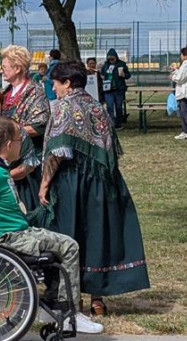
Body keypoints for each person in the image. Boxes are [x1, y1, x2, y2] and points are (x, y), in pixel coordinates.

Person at [0, 116, 103, 334]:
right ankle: (67, 314)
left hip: (12, 232)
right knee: (69, 246)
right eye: (19, 140)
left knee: (56, 243)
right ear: (9, 144)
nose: (21, 144)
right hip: (3, 238)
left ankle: (53, 304)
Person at [37, 61, 150, 316]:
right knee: (97, 233)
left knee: (70, 234)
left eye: (56, 83)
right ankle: (97, 300)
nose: (53, 89)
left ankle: (72, 298)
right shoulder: (96, 106)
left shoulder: (64, 107)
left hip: (73, 181)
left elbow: (58, 151)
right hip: (103, 182)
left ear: (67, 83)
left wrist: (44, 184)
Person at [0, 45, 50, 149]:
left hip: (29, 152)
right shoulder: (6, 92)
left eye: (4, 67)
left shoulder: (36, 92)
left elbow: (38, 127)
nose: (0, 71)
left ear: (17, 69)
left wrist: (6, 132)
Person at [99, 48, 131, 127]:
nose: (111, 60)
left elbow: (128, 75)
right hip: (108, 90)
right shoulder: (105, 65)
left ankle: (119, 123)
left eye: (112, 58)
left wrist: (124, 75)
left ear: (116, 57)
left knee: (118, 107)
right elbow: (102, 74)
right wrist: (102, 76)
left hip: (119, 89)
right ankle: (111, 123)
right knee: (109, 106)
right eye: (109, 58)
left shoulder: (122, 64)